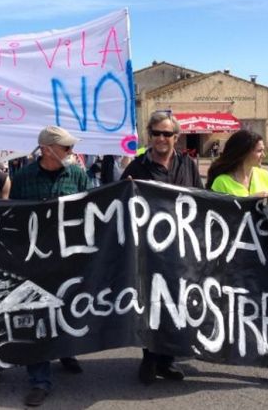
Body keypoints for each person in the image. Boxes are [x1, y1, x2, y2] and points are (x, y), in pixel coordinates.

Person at [206, 129, 268, 381]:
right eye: (259, 150)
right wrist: (249, 199)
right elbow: (217, 220)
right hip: (235, 258)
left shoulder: (266, 177)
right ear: (245, 152)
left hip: (266, 253)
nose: (263, 154)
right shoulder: (221, 182)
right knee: (236, 308)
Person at [120, 111, 202, 385]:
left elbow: (203, 200)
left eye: (167, 134)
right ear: (150, 135)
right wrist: (126, 192)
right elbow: (120, 206)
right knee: (151, 303)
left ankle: (166, 361)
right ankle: (149, 357)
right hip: (148, 250)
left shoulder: (188, 165)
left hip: (181, 248)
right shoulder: (136, 168)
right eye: (156, 133)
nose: (161, 138)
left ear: (176, 138)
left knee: (175, 304)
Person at [10, 125, 88, 407]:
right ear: (46, 149)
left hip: (68, 258)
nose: (71, 152)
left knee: (67, 307)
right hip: (35, 260)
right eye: (66, 148)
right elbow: (13, 218)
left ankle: (66, 351)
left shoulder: (78, 174)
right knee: (37, 314)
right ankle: (39, 380)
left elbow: (89, 209)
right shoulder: (23, 178)